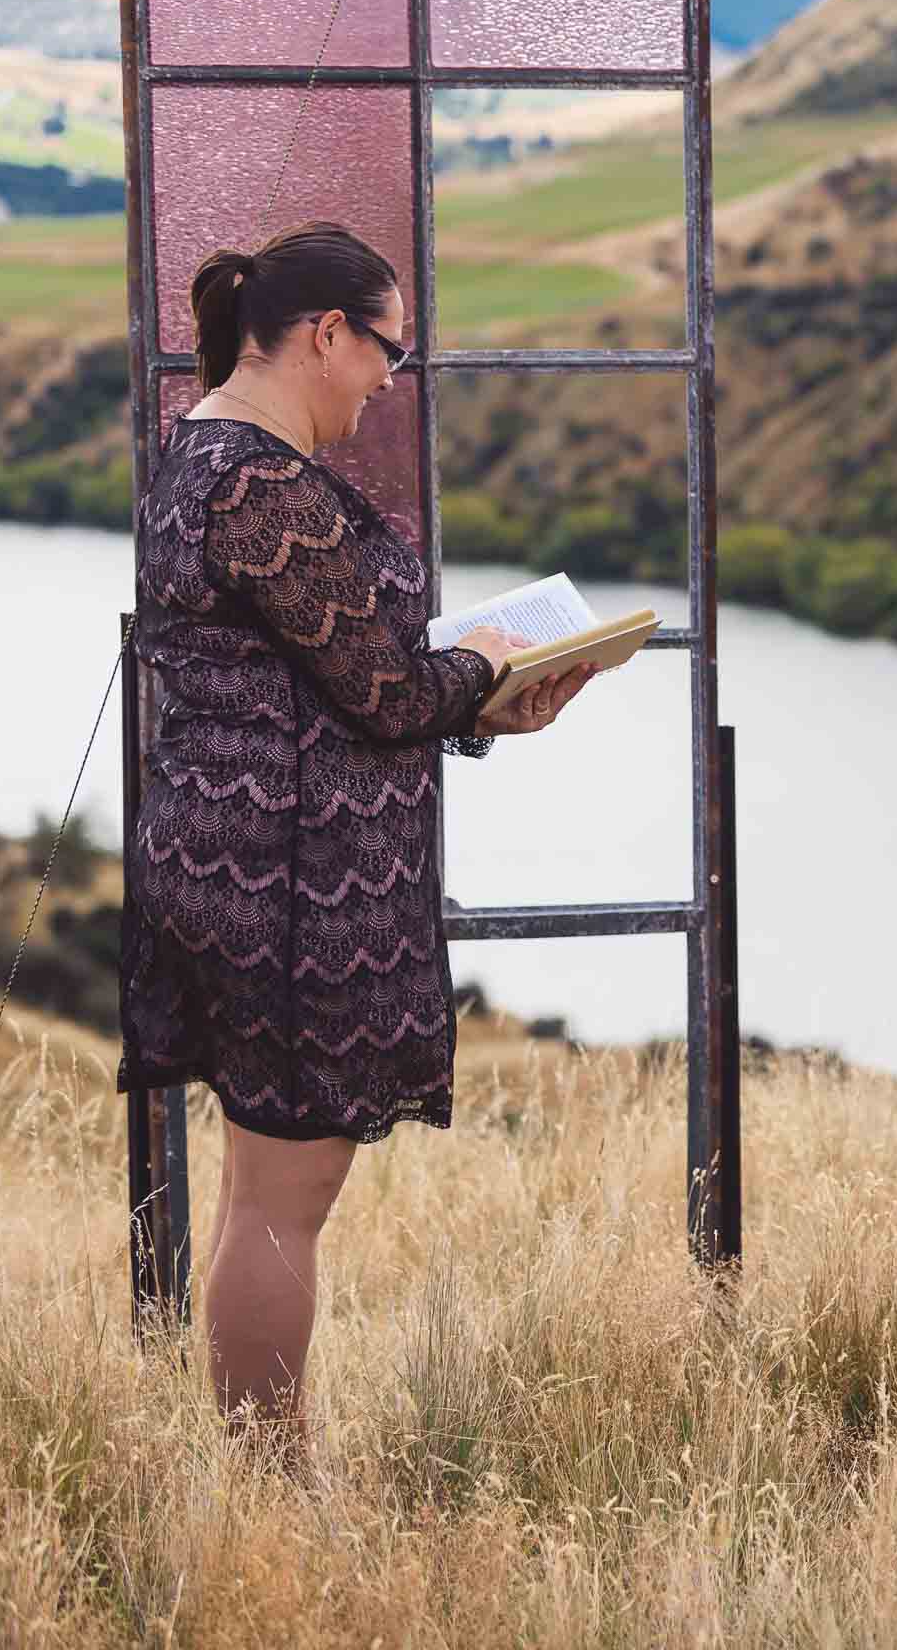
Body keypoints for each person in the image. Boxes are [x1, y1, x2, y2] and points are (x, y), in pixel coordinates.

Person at [117, 219, 595, 1452]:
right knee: (288, 1195)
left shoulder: (198, 458)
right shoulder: (263, 483)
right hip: (287, 882)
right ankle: (276, 1489)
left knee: (255, 1183)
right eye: (388, 349)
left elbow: (325, 684)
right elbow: (382, 690)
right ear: (327, 334)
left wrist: (482, 707)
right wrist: (484, 664)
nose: (390, 381)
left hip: (230, 855)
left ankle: (254, 1474)